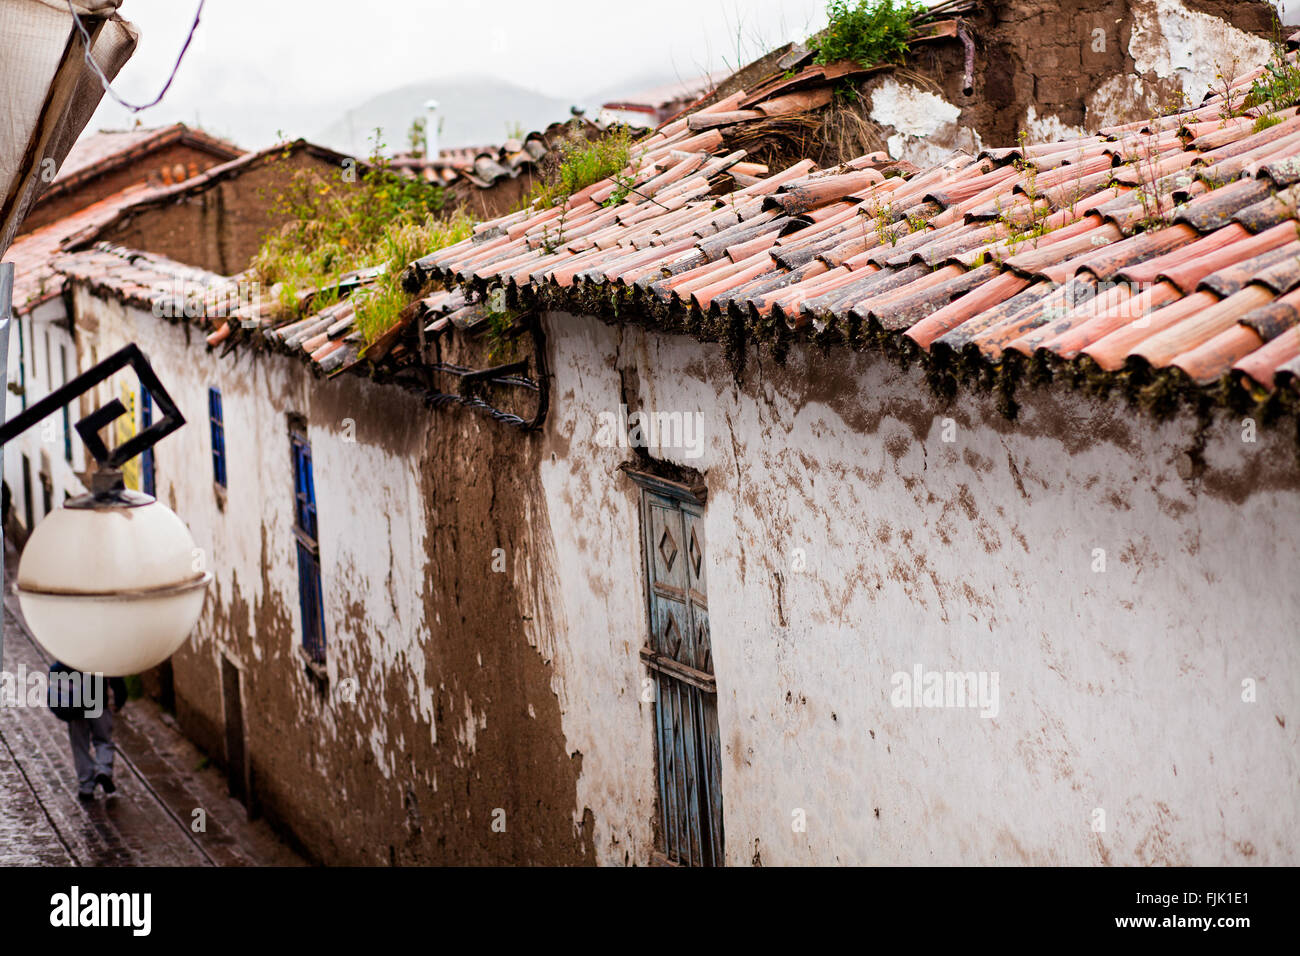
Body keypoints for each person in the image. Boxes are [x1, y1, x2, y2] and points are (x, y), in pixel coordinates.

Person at [48, 662, 128, 802]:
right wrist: (119, 700)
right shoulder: (100, 658)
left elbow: (55, 676)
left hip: (75, 709)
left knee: (80, 746)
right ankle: (103, 769)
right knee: (104, 740)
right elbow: (116, 678)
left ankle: (86, 786)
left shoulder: (66, 660)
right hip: (99, 705)